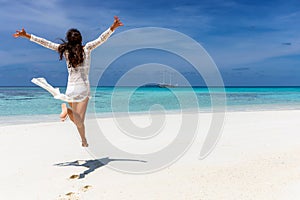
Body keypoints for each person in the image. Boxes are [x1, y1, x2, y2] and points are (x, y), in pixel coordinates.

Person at [13, 16, 123, 147]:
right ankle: (80, 133)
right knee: (80, 120)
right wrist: (112, 28)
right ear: (80, 39)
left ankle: (82, 137)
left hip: (70, 89)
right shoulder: (86, 49)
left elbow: (46, 43)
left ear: (68, 40)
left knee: (77, 119)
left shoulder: (65, 51)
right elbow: (101, 39)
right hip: (83, 88)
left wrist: (27, 36)